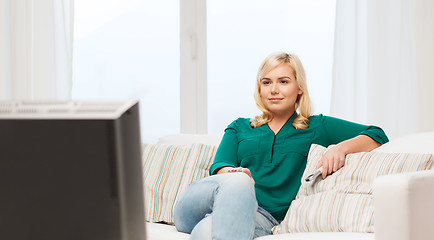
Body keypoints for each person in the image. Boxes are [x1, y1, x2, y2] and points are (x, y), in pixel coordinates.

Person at [173, 52, 389, 240]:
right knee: (239, 182)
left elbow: (377, 134)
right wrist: (234, 173)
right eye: (266, 82)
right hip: (200, 203)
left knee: (206, 231)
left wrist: (340, 148)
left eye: (283, 82)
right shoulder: (239, 127)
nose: (274, 89)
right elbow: (220, 167)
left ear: (299, 89)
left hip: (261, 216)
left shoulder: (317, 126)